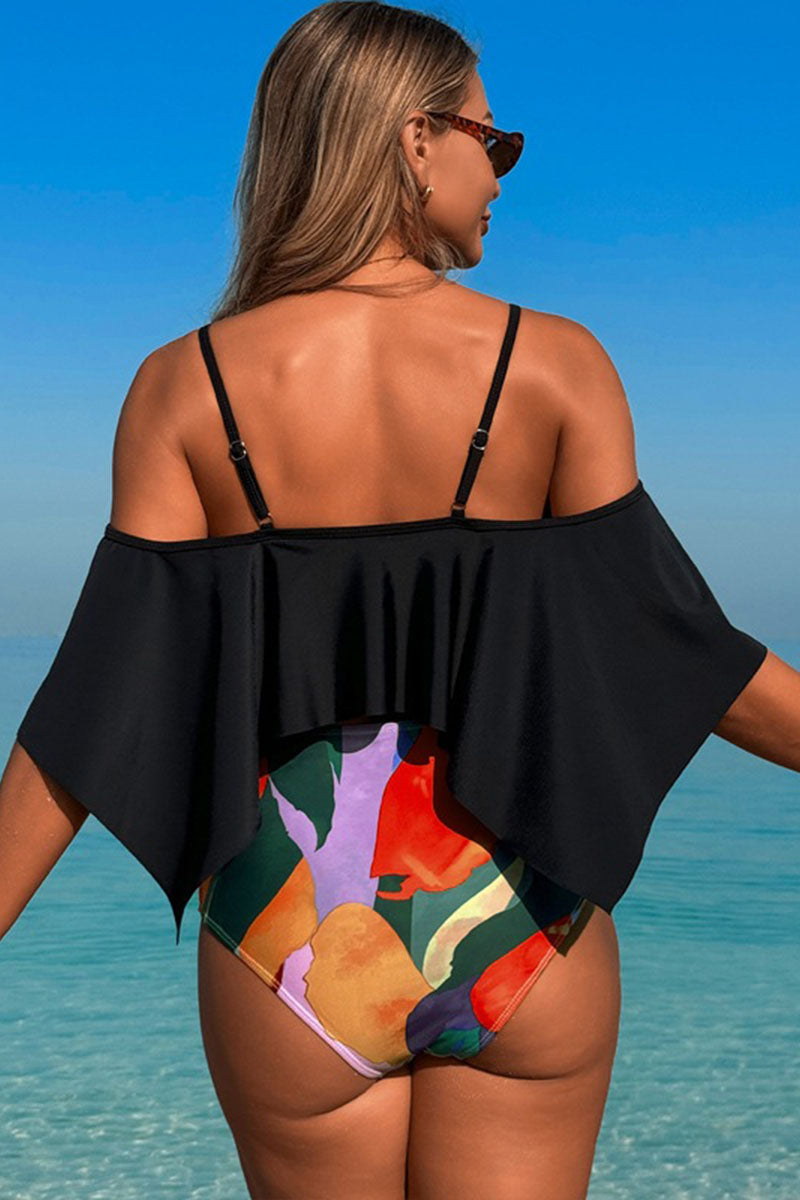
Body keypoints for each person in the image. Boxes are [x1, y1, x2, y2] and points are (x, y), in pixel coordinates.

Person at [1, 4, 798, 1198]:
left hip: (284, 929)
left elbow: (93, 703)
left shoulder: (183, 388)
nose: (503, 176)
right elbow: (687, 656)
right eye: (495, 140)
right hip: (514, 915)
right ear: (416, 138)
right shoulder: (550, 364)